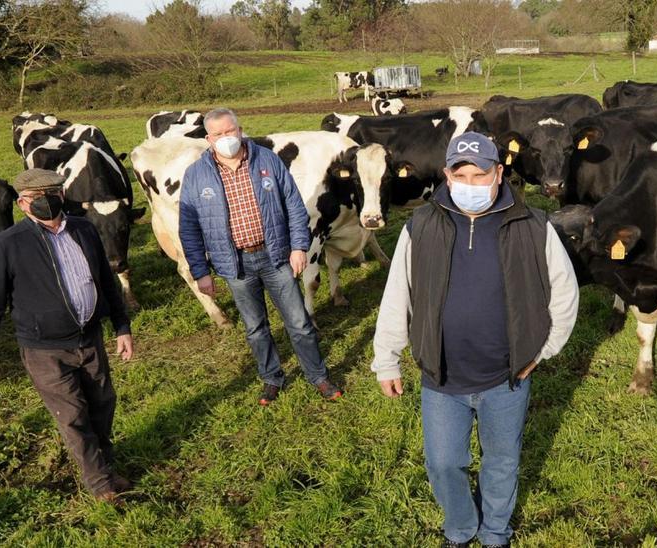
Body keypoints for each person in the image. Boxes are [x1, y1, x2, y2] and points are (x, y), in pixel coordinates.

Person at [371, 132, 580, 547]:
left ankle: (496, 533)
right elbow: (399, 295)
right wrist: (387, 359)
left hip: (506, 375)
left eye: (480, 174)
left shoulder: (533, 225)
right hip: (441, 377)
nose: (470, 182)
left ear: (499, 173)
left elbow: (565, 293)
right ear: (447, 175)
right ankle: (461, 528)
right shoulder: (420, 226)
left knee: (501, 463)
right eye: (460, 173)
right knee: (444, 463)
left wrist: (542, 350)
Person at [0, 169, 136, 503]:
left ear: (62, 195)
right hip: (45, 349)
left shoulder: (85, 229)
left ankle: (104, 464)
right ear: (22, 204)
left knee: (103, 406)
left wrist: (122, 326)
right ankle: (101, 484)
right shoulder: (9, 244)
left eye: (52, 193)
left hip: (90, 339)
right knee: (73, 415)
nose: (45, 201)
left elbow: (105, 281)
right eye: (36, 197)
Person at [179, 107, 342, 405]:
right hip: (235, 263)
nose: (227, 138)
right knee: (255, 329)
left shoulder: (266, 160)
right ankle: (271, 377)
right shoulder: (196, 175)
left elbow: (293, 204)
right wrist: (200, 271)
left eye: (231, 131)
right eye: (219, 134)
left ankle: (317, 376)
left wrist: (298, 247)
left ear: (240, 130)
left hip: (276, 255)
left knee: (300, 323)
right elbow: (188, 226)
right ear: (208, 139)